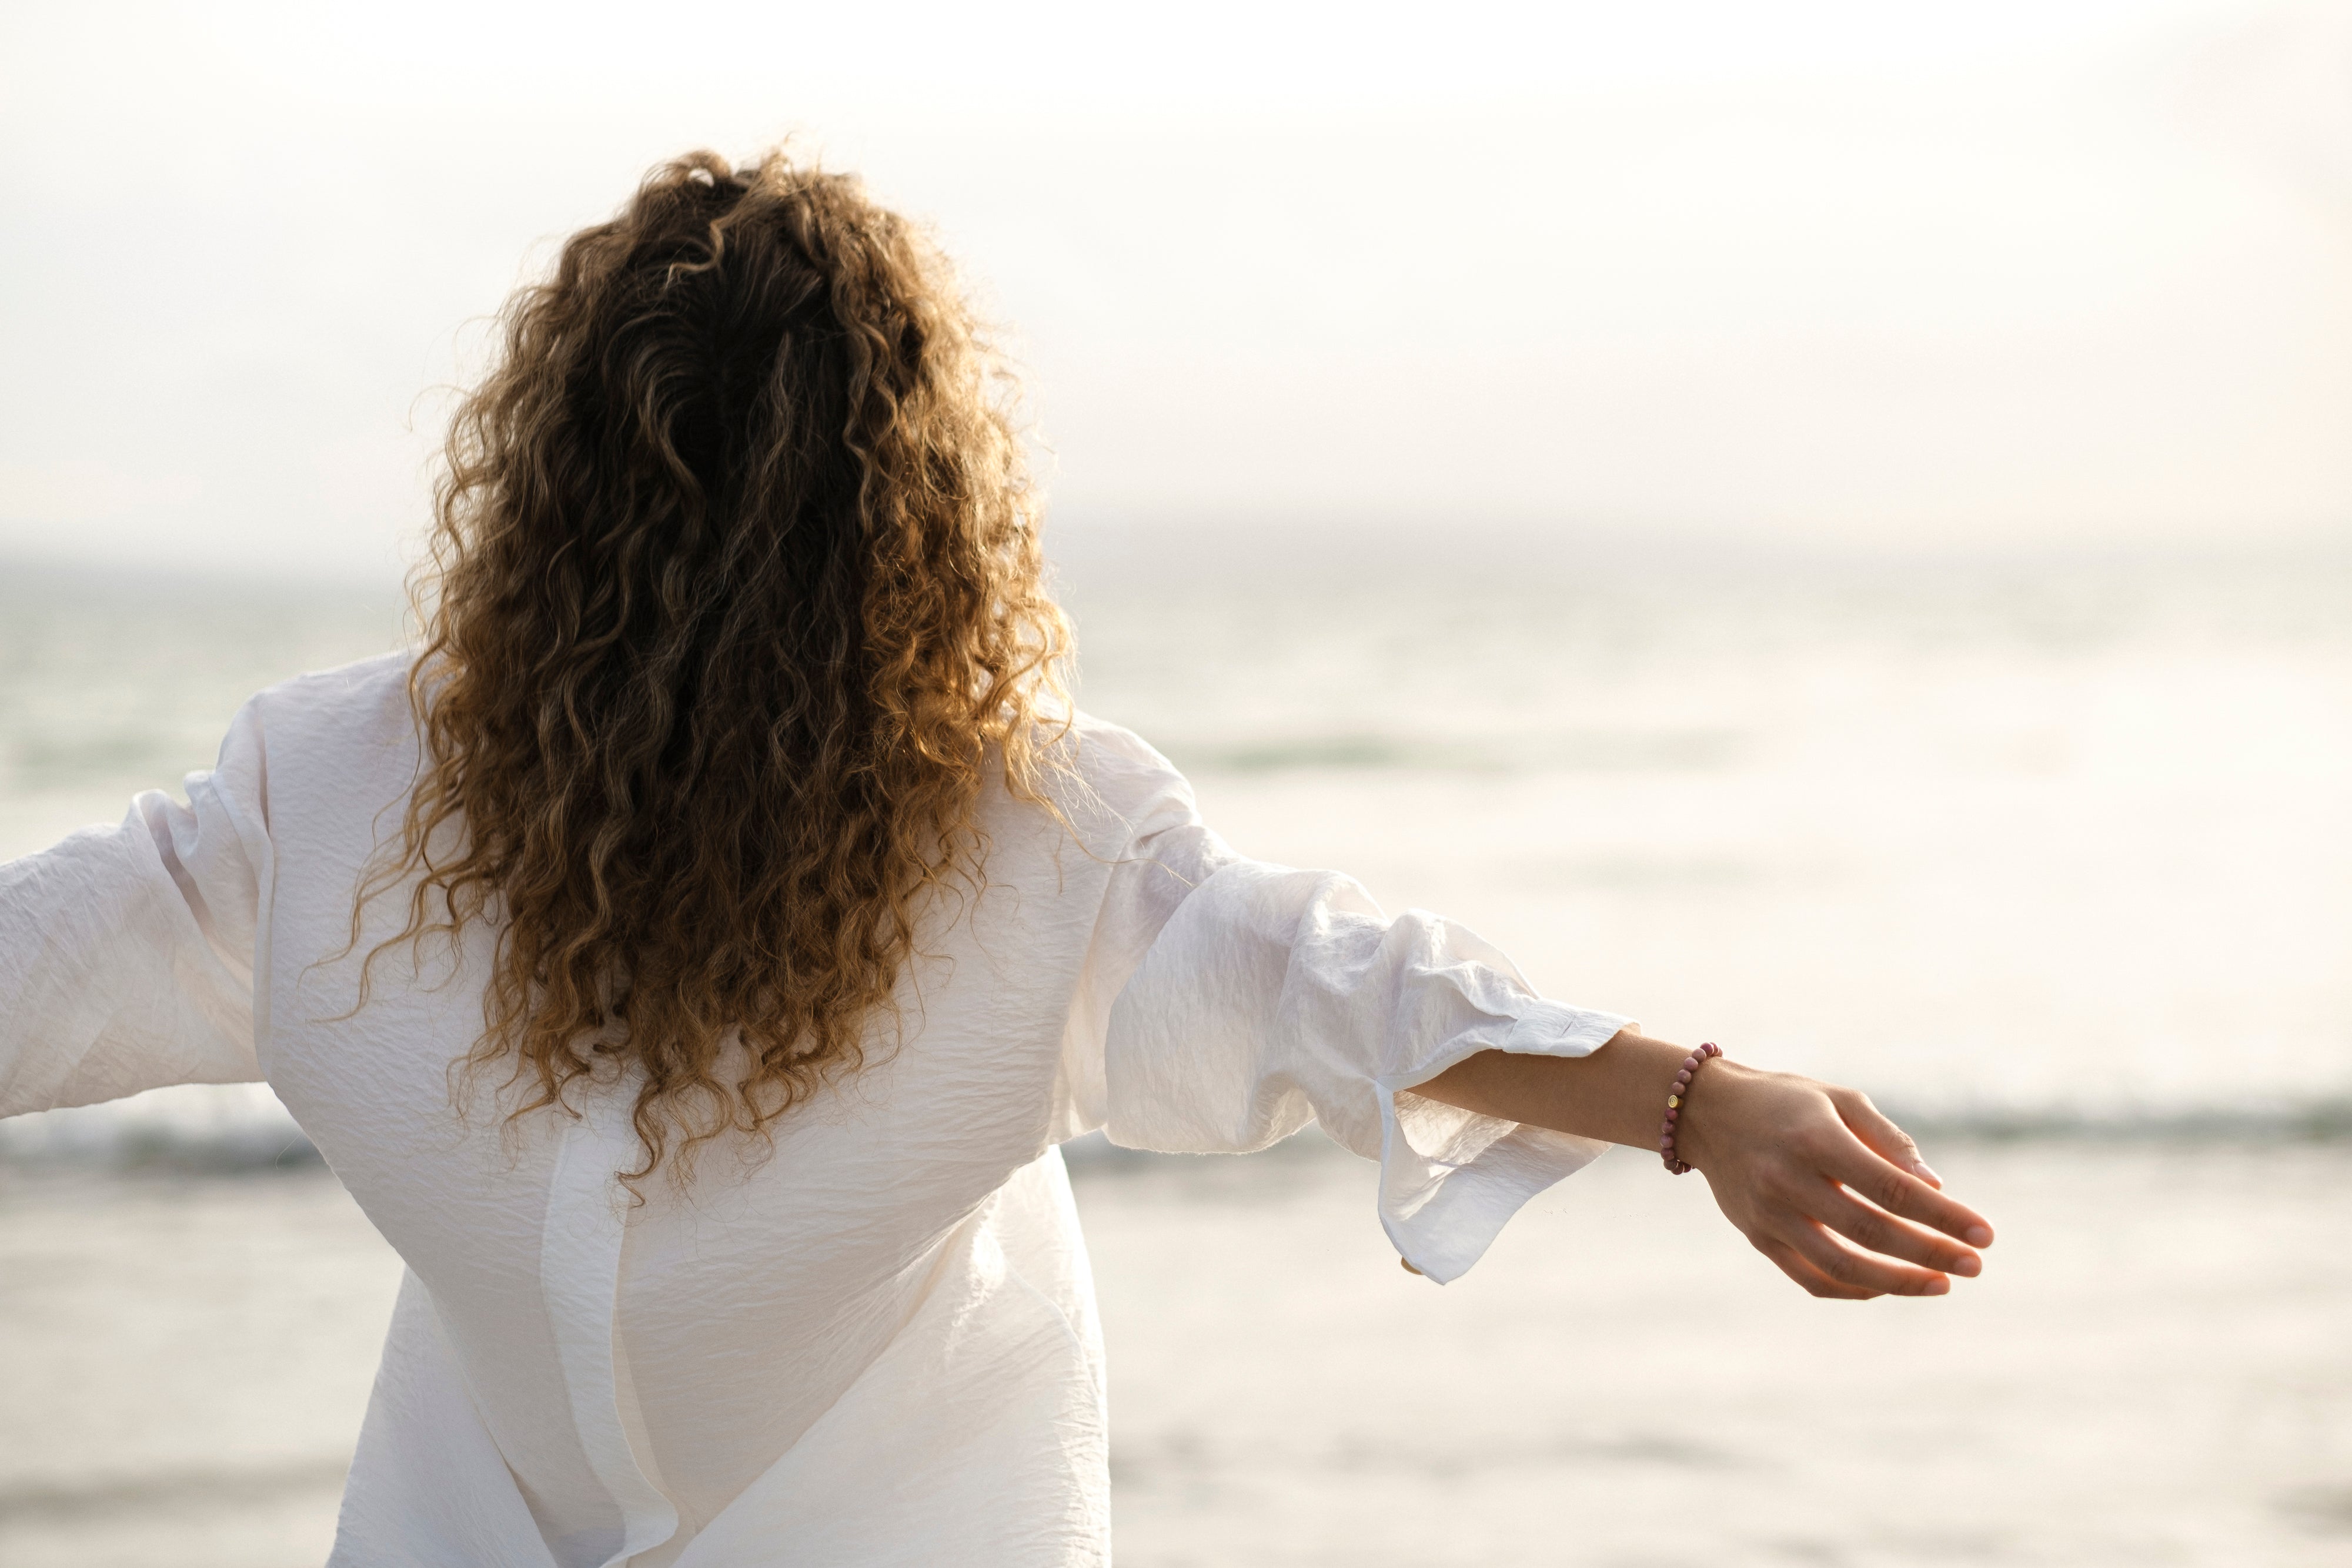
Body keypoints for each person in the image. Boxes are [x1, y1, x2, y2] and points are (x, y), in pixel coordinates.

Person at [0, 151, 1993, 1567]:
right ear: (913, 527)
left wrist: (1703, 1103)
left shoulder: (349, 800)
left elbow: (1328, 983)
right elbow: (1323, 982)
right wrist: (1703, 1102)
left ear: (541, 495)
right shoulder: (350, 800)